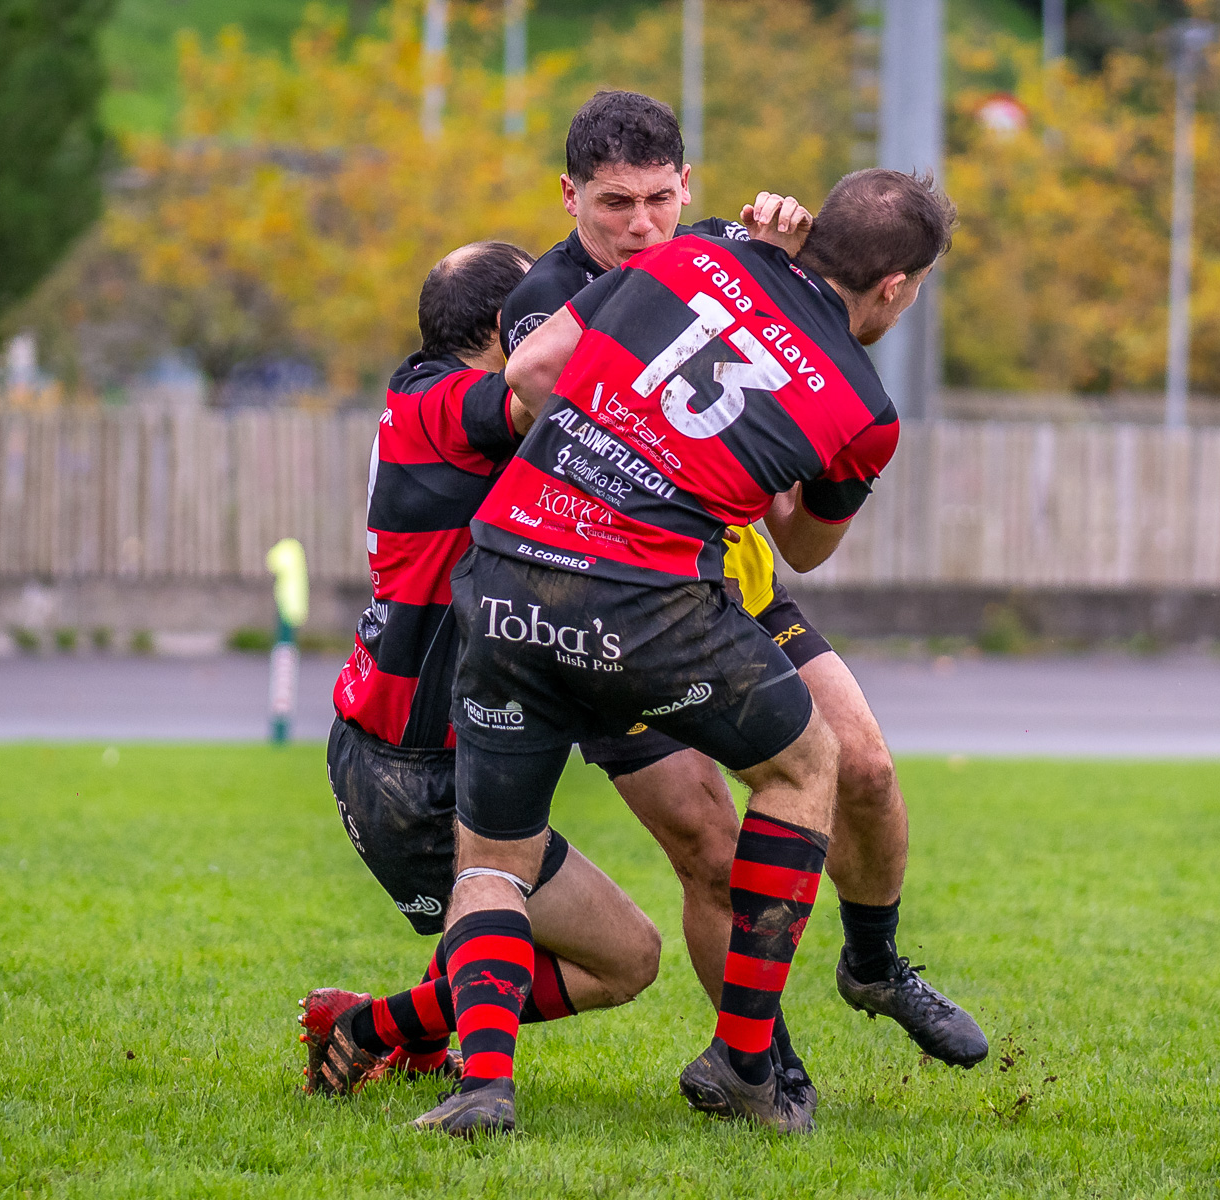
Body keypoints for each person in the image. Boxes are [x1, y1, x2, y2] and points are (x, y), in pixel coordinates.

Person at [414, 166, 961, 1137]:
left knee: (493, 856)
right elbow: (801, 547)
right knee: (807, 767)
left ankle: (485, 1088)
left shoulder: (693, 253)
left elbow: (528, 376)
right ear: (897, 288)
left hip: (507, 565)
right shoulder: (865, 409)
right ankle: (746, 1058)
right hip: (648, 601)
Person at [301, 241, 664, 1097]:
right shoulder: (451, 404)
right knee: (627, 958)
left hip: (407, 751)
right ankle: (378, 1031)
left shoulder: (419, 394)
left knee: (497, 935)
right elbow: (537, 395)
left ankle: (402, 1034)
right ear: (508, 327)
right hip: (414, 769)